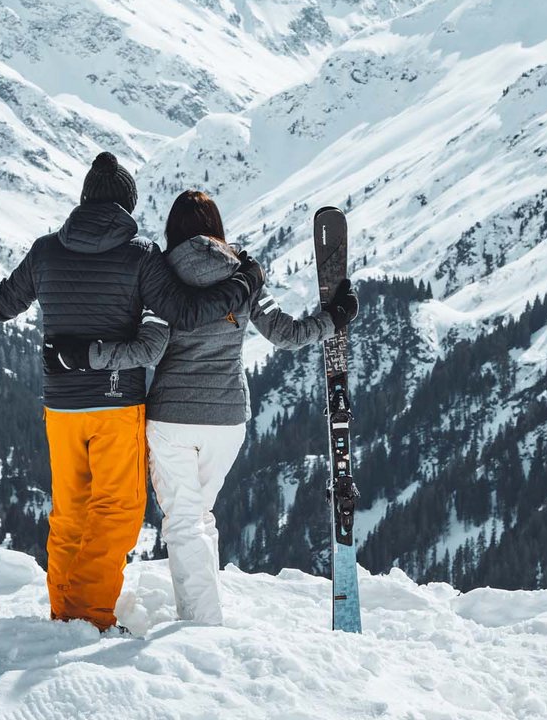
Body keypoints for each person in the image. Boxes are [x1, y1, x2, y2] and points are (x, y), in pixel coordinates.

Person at [0, 154, 263, 630]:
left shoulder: (47, 251)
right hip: (116, 404)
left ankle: (63, 608)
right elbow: (188, 314)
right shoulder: (141, 255)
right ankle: (86, 615)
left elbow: (4, 302)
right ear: (127, 204)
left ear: (84, 199)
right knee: (118, 512)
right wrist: (246, 282)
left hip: (62, 406)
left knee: (70, 511)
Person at [87, 189, 356, 626]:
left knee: (183, 522)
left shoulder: (159, 277)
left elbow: (149, 348)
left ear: (174, 229)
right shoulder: (243, 276)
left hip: (172, 416)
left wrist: (92, 354)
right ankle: (203, 616)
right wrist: (334, 319)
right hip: (227, 418)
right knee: (199, 517)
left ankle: (202, 626)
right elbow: (285, 333)